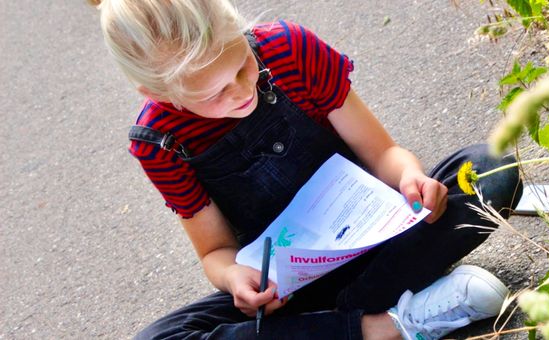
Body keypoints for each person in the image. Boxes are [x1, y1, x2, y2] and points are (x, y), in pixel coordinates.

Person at [90, 0, 522, 339]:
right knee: (158, 338)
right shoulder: (162, 141)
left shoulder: (289, 49)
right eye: (214, 94)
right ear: (157, 93)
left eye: (242, 66)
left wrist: (411, 177)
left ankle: (331, 325)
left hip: (380, 237)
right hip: (289, 288)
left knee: (490, 168)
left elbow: (382, 153)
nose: (242, 91)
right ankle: (385, 327)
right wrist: (235, 279)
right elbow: (215, 253)